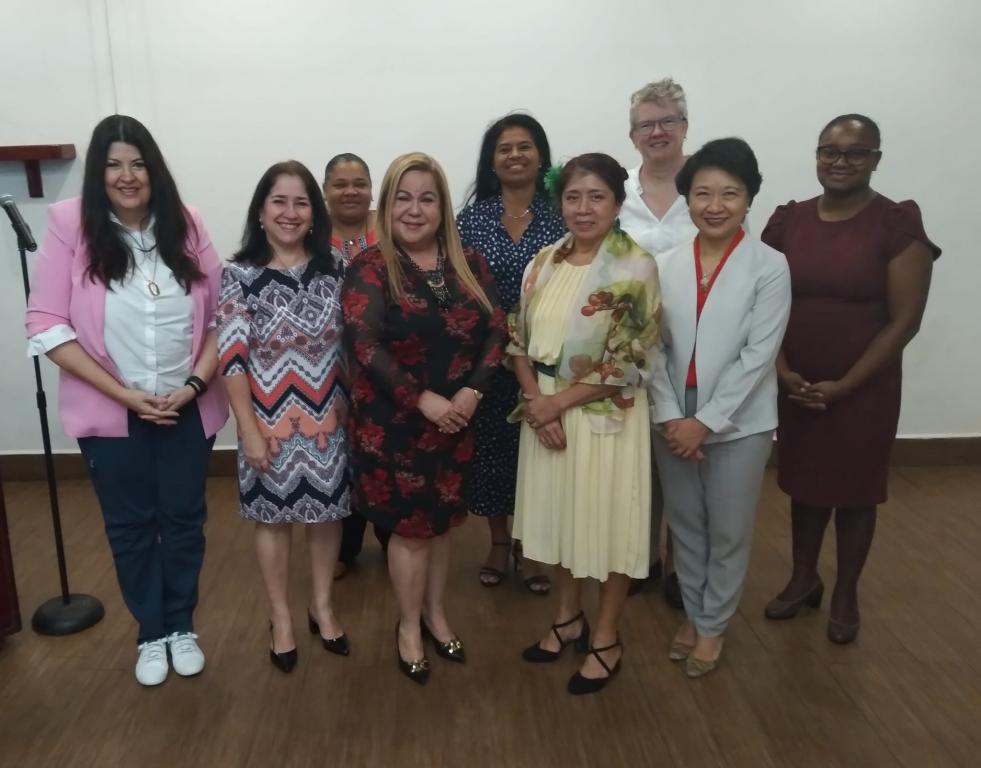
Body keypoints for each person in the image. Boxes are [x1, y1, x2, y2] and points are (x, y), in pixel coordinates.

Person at [25, 114, 228, 686]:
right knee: (131, 525)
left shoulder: (186, 222)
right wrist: (125, 395)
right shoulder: (70, 225)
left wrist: (193, 386)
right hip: (112, 411)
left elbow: (224, 314)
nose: (127, 175)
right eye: (113, 165)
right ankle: (151, 633)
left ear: (154, 170)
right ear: (98, 173)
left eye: (138, 163)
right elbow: (45, 322)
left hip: (187, 407)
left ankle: (181, 625)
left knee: (184, 520)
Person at [761, 114, 939, 644]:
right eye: (829, 151)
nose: (840, 162)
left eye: (855, 152)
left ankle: (845, 592)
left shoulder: (896, 224)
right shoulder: (788, 221)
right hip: (796, 379)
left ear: (875, 160)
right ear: (816, 156)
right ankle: (803, 578)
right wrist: (783, 371)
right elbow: (762, 302)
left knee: (856, 491)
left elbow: (905, 321)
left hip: (865, 385)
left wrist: (846, 385)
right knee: (805, 483)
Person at [342, 152, 506, 685]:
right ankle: (409, 627)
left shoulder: (469, 262)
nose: (415, 210)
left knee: (440, 528)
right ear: (387, 205)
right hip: (395, 428)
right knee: (412, 533)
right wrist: (423, 400)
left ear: (443, 207)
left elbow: (497, 329)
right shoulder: (369, 268)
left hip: (458, 421)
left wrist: (473, 392)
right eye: (404, 198)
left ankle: (436, 614)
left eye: (427, 198)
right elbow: (365, 345)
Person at [512, 153, 661, 695]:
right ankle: (567, 617)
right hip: (544, 411)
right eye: (573, 197)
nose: (583, 208)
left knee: (609, 524)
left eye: (597, 197)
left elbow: (632, 361)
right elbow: (517, 339)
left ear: (617, 204)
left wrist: (557, 405)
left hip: (603, 418)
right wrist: (536, 403)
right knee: (562, 521)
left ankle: (606, 637)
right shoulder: (543, 261)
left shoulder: (635, 266)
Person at [651, 138, 790, 678]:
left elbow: (759, 355)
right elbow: (651, 348)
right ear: (686, 198)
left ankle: (712, 626)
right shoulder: (664, 264)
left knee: (728, 531)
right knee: (686, 525)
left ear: (748, 197)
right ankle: (695, 613)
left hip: (739, 423)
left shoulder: (770, 266)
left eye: (729, 193)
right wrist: (671, 415)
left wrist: (704, 423)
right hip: (672, 417)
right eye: (702, 193)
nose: (715, 205)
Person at [218, 161, 351, 674]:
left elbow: (355, 345)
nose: (290, 212)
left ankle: (322, 607)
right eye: (279, 201)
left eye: (301, 202)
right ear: (261, 210)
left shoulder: (337, 268)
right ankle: (280, 617)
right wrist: (248, 430)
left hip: (329, 422)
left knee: (326, 517)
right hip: (267, 423)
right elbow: (231, 359)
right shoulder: (239, 275)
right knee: (272, 522)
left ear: (314, 213)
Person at [456, 113, 566, 593]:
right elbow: (458, 288)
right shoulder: (471, 220)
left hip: (550, 358)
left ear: (541, 157)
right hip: (486, 358)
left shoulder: (563, 214)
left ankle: (534, 545)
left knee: (540, 454)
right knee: (492, 456)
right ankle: (500, 541)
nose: (515, 155)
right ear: (491, 160)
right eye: (505, 148)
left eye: (525, 146)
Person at [618, 78, 698, 607]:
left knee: (683, 458)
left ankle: (679, 562)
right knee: (636, 459)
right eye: (646, 124)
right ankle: (640, 556)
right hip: (629, 347)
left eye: (668, 121)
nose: (657, 132)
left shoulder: (709, 186)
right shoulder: (618, 192)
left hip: (696, 342)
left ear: (685, 126)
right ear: (633, 136)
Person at [321, 153, 391, 578]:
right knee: (339, 461)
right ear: (325, 190)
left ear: (371, 188)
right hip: (328, 371)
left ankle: (392, 540)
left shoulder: (390, 231)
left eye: (359, 183)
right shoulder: (310, 236)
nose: (350, 191)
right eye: (340, 184)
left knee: (385, 456)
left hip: (386, 369)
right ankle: (344, 549)